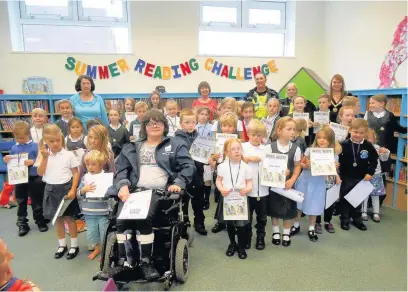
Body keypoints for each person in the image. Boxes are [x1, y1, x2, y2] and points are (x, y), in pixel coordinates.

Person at [112, 110, 194, 280]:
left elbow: (188, 166)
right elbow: (121, 169)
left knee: (142, 218)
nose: (154, 125)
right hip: (134, 191)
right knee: (120, 220)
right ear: (145, 127)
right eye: (150, 122)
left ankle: (146, 262)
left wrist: (179, 183)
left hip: (158, 192)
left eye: (158, 122)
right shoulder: (132, 147)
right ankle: (125, 262)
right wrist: (122, 186)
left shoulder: (176, 144)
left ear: (164, 126)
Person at [37, 124, 80, 260]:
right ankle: (62, 245)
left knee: (70, 218)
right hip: (50, 189)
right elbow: (40, 172)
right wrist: (44, 157)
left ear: (61, 138)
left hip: (66, 189)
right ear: (45, 141)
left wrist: (73, 189)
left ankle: (74, 245)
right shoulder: (43, 155)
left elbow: (76, 173)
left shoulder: (68, 155)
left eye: (57, 140)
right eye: (51, 141)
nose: (55, 143)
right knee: (58, 220)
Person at [293, 127, 342, 242]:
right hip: (305, 180)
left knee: (314, 205)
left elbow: (331, 171)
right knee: (299, 204)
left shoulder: (332, 154)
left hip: (318, 183)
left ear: (330, 140)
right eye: (319, 137)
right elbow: (301, 164)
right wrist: (305, 165)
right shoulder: (310, 150)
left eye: (325, 138)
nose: (321, 140)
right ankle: (296, 225)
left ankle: (311, 228)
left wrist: (335, 171)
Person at [3, 121, 47, 236]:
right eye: (17, 138)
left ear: (29, 134)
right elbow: (11, 160)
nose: (20, 140)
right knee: (21, 201)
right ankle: (22, 223)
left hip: (34, 177)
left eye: (22, 138)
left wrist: (33, 161)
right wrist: (7, 159)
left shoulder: (36, 146)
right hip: (20, 179)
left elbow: (42, 160)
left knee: (36, 201)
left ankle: (40, 221)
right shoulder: (14, 148)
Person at [338, 119, 378, 231]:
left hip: (361, 178)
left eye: (361, 133)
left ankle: (357, 218)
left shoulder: (368, 146)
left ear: (365, 133)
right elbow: (337, 159)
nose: (358, 135)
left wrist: (370, 173)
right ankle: (344, 219)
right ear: (350, 130)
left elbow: (374, 160)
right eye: (355, 132)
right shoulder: (343, 144)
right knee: (345, 199)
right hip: (346, 176)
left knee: (357, 199)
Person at [216, 138, 252, 260]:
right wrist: (221, 189)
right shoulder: (222, 166)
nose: (237, 151)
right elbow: (218, 181)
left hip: (241, 199)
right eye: (233, 149)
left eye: (239, 149)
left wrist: (247, 189)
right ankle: (232, 244)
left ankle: (241, 246)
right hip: (227, 199)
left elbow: (250, 183)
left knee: (241, 226)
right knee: (230, 224)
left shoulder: (246, 167)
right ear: (226, 153)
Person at [268, 117, 302, 247]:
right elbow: (266, 165)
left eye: (294, 129)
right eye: (289, 129)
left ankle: (286, 232)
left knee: (288, 210)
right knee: (274, 208)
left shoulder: (295, 149)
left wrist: (292, 179)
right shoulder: (270, 147)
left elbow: (297, 166)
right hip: (274, 184)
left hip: (288, 185)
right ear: (279, 130)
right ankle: (276, 231)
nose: (293, 132)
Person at [175, 109, 207, 235]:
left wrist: (209, 158)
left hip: (198, 175)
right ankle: (183, 226)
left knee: (198, 202)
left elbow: (204, 156)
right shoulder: (176, 139)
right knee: (183, 203)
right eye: (187, 122)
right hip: (182, 176)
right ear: (181, 123)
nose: (190, 125)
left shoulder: (200, 137)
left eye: (193, 122)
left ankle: (199, 223)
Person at [77, 150, 110, 260]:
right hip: (88, 212)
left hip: (103, 211)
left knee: (104, 232)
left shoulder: (106, 177)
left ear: (101, 165)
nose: (90, 167)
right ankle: (97, 248)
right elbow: (78, 194)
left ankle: (105, 251)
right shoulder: (85, 178)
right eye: (87, 164)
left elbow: (111, 193)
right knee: (91, 233)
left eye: (93, 164)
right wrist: (83, 190)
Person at [209, 113, 239, 233]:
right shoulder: (216, 141)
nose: (227, 128)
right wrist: (214, 158)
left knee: (234, 196)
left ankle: (234, 222)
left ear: (234, 127)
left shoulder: (238, 141)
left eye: (230, 126)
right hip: (221, 172)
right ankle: (221, 222)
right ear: (221, 126)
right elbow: (211, 160)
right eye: (224, 125)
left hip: (235, 172)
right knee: (222, 197)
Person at [242, 120, 269, 250]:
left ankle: (260, 238)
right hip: (247, 190)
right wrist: (247, 159)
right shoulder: (243, 147)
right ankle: (247, 238)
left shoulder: (266, 149)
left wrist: (282, 171)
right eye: (253, 135)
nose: (256, 138)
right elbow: (234, 161)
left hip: (263, 190)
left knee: (262, 217)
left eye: (259, 135)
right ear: (248, 134)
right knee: (247, 216)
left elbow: (273, 166)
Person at [361, 129, 390, 223]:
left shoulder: (377, 147)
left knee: (375, 194)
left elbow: (383, 159)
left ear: (374, 138)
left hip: (376, 175)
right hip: (365, 175)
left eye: (371, 138)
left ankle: (376, 212)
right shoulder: (362, 148)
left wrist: (386, 152)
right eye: (366, 138)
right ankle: (363, 211)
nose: (369, 140)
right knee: (364, 194)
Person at [195, 107, 213, 210]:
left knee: (207, 178)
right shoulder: (194, 127)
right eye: (201, 114)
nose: (204, 116)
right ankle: (201, 198)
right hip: (197, 156)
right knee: (199, 178)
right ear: (197, 115)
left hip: (207, 155)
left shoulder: (211, 127)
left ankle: (207, 200)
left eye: (206, 114)